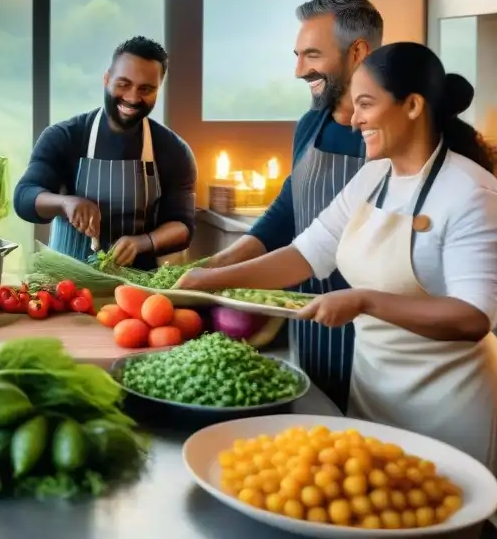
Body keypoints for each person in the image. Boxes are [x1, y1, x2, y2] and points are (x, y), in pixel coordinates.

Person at [180, 42, 497, 468]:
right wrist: (208, 280)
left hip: (447, 409)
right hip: (373, 397)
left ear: (413, 106)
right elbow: (304, 254)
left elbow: (473, 318)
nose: (355, 120)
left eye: (366, 104)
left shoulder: (469, 193)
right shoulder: (372, 176)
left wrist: (364, 300)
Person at [201, 0, 383, 412]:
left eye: (312, 55)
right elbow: (287, 213)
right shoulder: (310, 125)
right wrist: (217, 264)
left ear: (358, 52)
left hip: (375, 333)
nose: (299, 70)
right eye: (298, 55)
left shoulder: (394, 138)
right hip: (310, 325)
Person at [13, 36, 196, 271]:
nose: (132, 97)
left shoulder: (173, 150)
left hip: (139, 287)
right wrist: (65, 203)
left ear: (158, 89)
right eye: (123, 84)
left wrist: (143, 242)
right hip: (64, 283)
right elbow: (24, 197)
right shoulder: (65, 136)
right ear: (106, 79)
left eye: (146, 89)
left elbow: (183, 226)